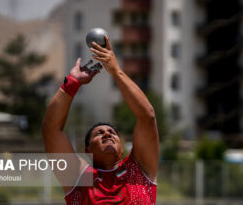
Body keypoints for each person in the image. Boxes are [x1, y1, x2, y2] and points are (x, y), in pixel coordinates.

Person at [42, 36, 159, 204]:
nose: (107, 134)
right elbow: (50, 129)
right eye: (99, 133)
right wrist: (72, 83)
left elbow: (147, 117)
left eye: (112, 132)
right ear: (87, 150)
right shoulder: (79, 178)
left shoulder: (139, 169)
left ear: (121, 147)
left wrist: (116, 71)